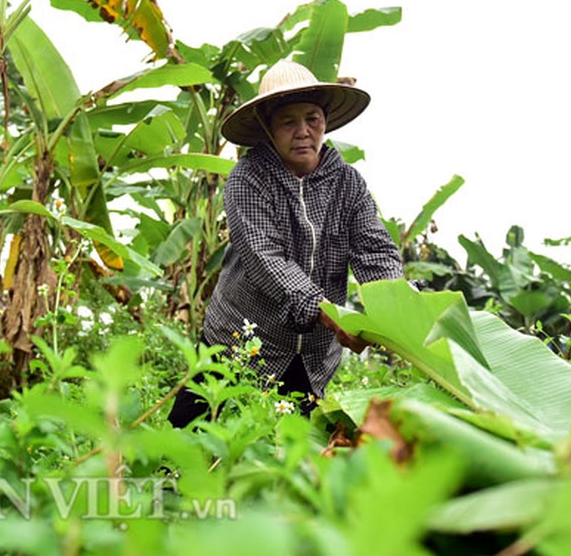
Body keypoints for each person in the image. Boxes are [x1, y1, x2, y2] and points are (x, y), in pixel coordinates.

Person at [167, 60, 404, 428]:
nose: (303, 132)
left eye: (312, 118)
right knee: (188, 446)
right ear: (268, 128)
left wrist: (395, 302)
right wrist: (323, 309)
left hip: (310, 359)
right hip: (238, 344)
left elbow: (374, 250)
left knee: (289, 461)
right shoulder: (247, 179)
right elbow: (265, 256)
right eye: (288, 122)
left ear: (325, 121)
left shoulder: (348, 184)